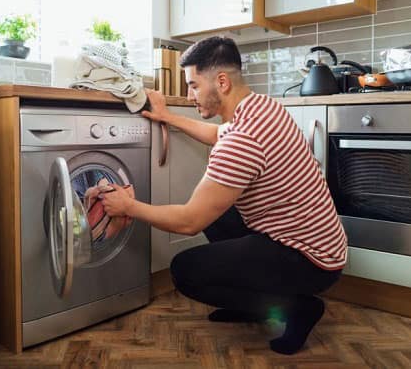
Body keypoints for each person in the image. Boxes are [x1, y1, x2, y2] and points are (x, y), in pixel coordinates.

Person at [100, 36, 347, 355]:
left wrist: (128, 206)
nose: (190, 96)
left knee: (186, 271)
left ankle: (296, 308)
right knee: (218, 216)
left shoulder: (243, 140)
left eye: (193, 85)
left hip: (310, 260)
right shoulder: (263, 107)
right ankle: (254, 303)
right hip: (321, 243)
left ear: (222, 81)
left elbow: (189, 221)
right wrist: (167, 117)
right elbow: (218, 133)